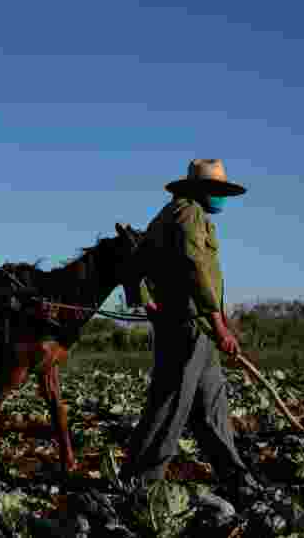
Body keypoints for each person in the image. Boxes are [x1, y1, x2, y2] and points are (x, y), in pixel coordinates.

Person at [118, 159, 263, 508]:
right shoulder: (188, 215)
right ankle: (140, 483)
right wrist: (219, 326)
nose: (221, 198)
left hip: (194, 330)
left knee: (211, 406)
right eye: (216, 191)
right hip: (190, 326)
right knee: (170, 404)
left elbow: (137, 262)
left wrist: (144, 301)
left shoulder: (169, 215)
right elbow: (197, 271)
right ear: (199, 190)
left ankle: (237, 478)